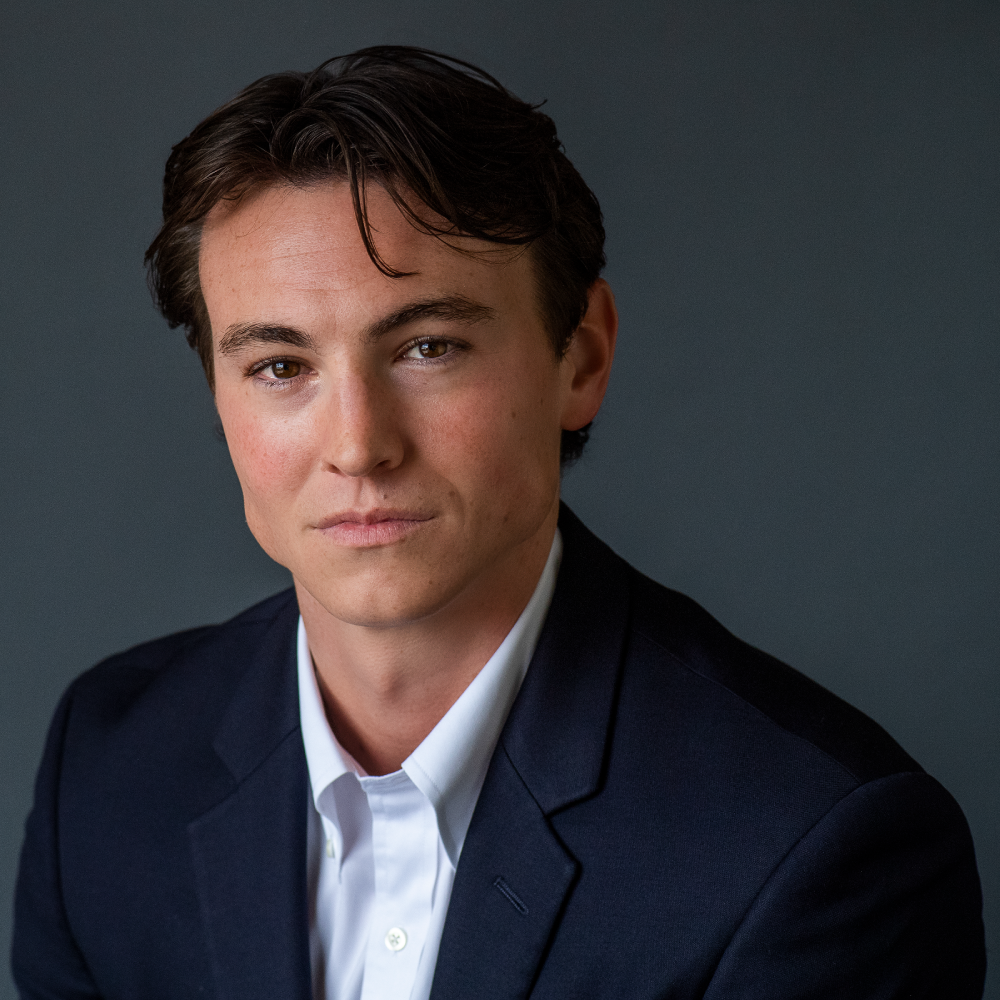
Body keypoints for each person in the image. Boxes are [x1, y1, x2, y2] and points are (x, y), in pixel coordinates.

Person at [12, 46, 986, 1000]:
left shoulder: (813, 847)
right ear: (218, 396)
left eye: (429, 346)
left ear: (582, 357)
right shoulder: (109, 766)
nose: (358, 445)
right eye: (280, 366)